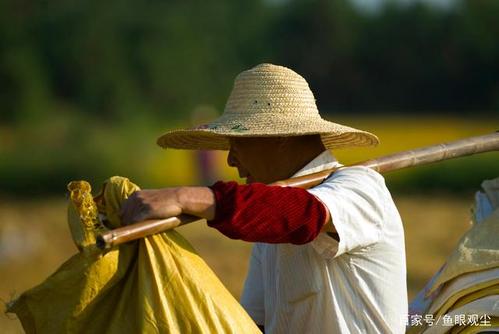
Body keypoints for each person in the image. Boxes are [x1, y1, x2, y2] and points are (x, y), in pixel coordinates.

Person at [121, 63, 408, 333]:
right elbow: (254, 324)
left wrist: (185, 196)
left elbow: (305, 216)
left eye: (238, 143)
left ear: (280, 138)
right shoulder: (267, 219)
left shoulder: (360, 187)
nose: (231, 160)